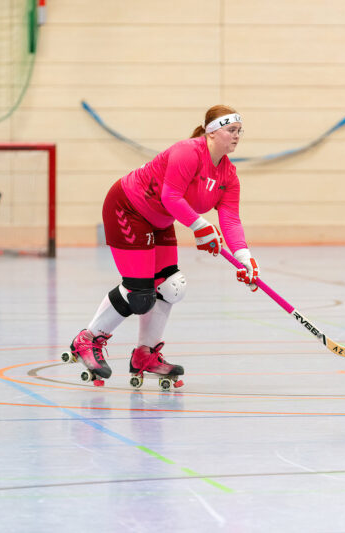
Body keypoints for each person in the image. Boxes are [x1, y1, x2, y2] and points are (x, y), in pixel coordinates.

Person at [65, 105, 260, 388]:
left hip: (159, 220)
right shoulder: (187, 152)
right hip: (128, 208)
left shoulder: (228, 175)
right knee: (139, 293)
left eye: (239, 131)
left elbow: (230, 219)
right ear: (211, 132)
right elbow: (171, 197)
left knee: (171, 287)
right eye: (231, 130)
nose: (237, 135)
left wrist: (245, 258)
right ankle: (88, 339)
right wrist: (201, 227)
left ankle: (145, 354)